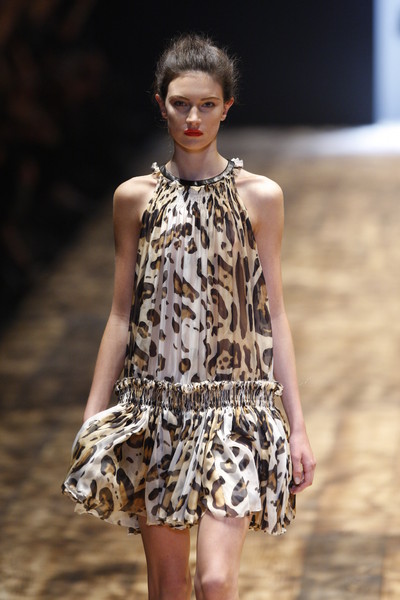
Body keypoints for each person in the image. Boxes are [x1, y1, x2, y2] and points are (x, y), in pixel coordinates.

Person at [62, 33, 315, 600]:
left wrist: (297, 426)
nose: (194, 118)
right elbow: (121, 315)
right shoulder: (134, 199)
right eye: (181, 104)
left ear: (228, 106)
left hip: (236, 410)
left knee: (216, 581)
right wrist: (92, 418)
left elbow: (274, 313)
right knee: (169, 586)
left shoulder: (260, 197)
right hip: (157, 413)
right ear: (161, 105)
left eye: (207, 104)